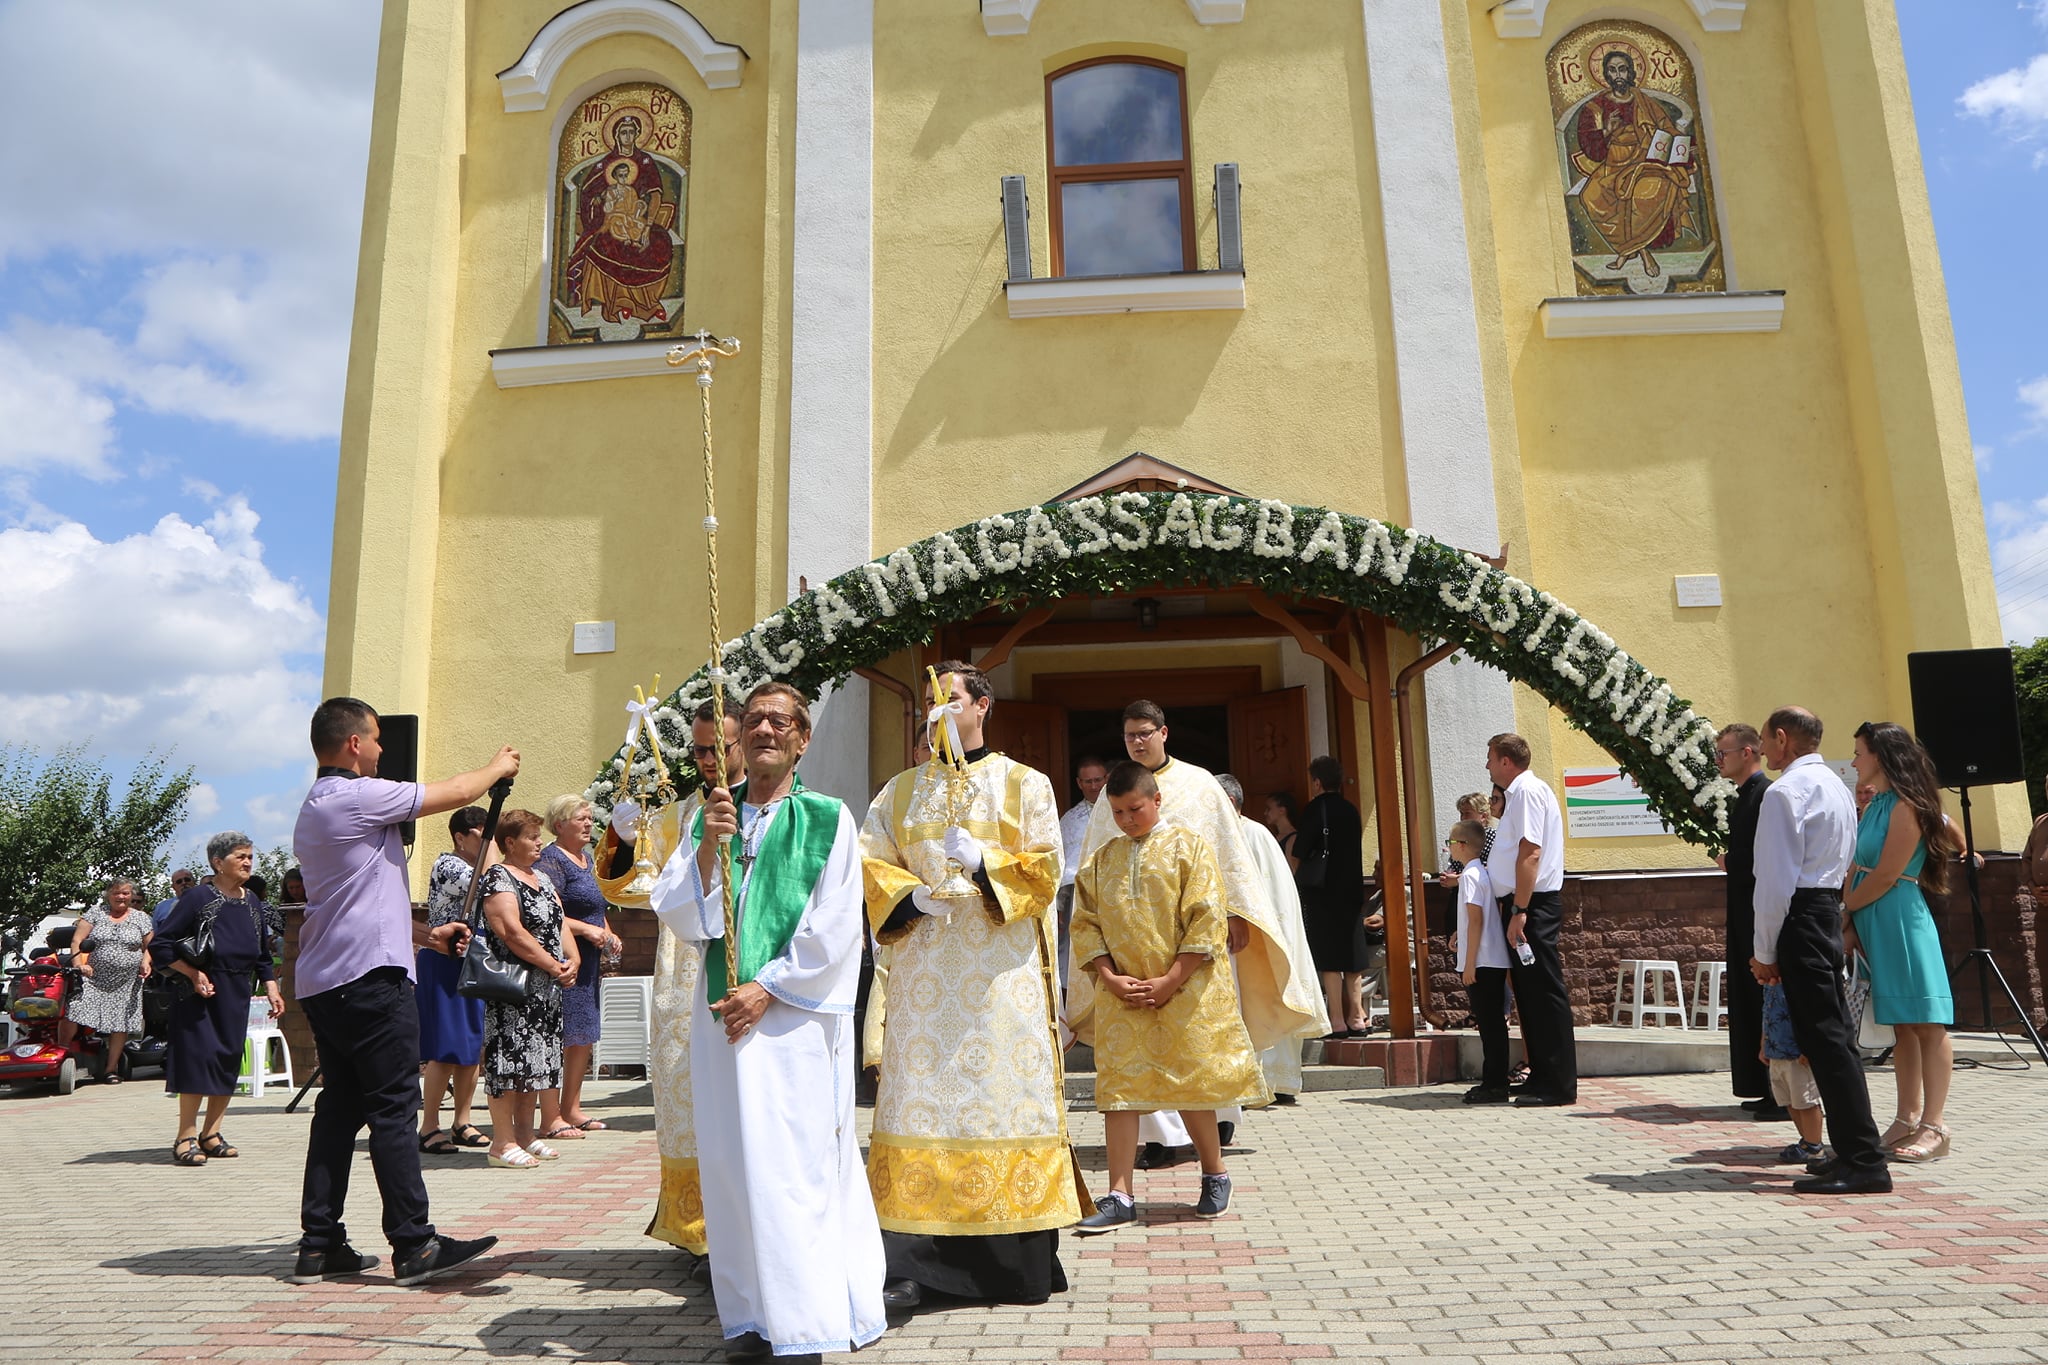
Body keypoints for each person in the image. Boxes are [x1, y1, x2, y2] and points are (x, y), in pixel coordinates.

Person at [649, 682, 886, 1361]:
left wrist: (767, 987)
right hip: (721, 1019)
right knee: (730, 1167)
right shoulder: (712, 815)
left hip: (791, 1025)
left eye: (780, 721)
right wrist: (706, 847)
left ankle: (803, 1323)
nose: (765, 731)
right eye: (753, 720)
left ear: (803, 739)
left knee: (792, 1168)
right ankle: (751, 1317)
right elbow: (680, 913)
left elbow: (836, 926)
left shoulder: (827, 818)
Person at [858, 661, 1076, 1311]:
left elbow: (1046, 869)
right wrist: (910, 897)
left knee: (999, 1100)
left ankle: (1011, 1263)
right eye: (930, 702)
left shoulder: (1023, 784)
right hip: (926, 982)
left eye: (949, 700)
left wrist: (987, 864)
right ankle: (912, 1263)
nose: (937, 712)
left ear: (982, 706)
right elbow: (869, 862)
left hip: (998, 985)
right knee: (920, 1104)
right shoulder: (898, 792)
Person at [291, 696, 517, 1286]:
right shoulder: (358, 797)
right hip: (371, 980)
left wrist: (428, 936)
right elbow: (453, 794)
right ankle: (413, 1245)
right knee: (395, 1108)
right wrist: (496, 768)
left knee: (339, 1110)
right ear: (353, 745)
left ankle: (320, 1243)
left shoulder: (316, 806)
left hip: (328, 979)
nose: (383, 750)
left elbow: (356, 903)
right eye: (376, 739)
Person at [1075, 701, 1318, 1165]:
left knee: (1200, 1035)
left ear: (1163, 732)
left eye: (1145, 732)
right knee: (1143, 1040)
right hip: (1132, 943)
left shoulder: (1200, 783)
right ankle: (1163, 1138)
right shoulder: (1115, 792)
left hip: (1192, 937)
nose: (1137, 741)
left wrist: (1238, 913)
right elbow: (1095, 863)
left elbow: (1228, 851)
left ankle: (1218, 1119)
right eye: (1129, 735)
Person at [1072, 762, 1267, 1234]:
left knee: (1188, 1084)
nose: (1126, 820)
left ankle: (1214, 1172)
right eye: (1117, 812)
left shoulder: (1189, 848)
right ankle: (1120, 1195)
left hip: (1183, 990)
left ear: (1156, 801)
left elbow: (1206, 920)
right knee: (1119, 1092)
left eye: (1134, 809)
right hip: (1122, 993)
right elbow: (1085, 923)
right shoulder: (1102, 860)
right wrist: (1109, 977)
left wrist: (1171, 980)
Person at [597, 697, 739, 1264]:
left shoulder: (774, 806)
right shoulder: (676, 813)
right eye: (700, 750)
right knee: (684, 1088)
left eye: (718, 748)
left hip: (746, 961)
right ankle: (697, 1230)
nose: (708, 759)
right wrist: (626, 840)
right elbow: (629, 888)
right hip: (682, 971)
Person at [1749, 706, 1890, 1195]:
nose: (1764, 749)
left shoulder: (1785, 791)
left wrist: (1764, 948)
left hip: (1801, 917)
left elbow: (1774, 881)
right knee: (1828, 1042)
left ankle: (1865, 1162)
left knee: (1828, 1044)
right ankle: (1852, 1153)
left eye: (1765, 739)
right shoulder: (1834, 783)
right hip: (1826, 910)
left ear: (1783, 738)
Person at [1844, 721, 1960, 1163]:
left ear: (1882, 756)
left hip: (1900, 919)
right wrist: (1850, 918)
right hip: (1875, 918)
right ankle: (1906, 1118)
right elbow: (1857, 864)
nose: (1854, 760)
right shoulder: (1878, 804)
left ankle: (1935, 1126)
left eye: (1859, 752)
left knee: (1927, 1024)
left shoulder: (1907, 806)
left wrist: (1850, 906)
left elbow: (1889, 873)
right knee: (1902, 1027)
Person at [152, 833, 283, 1165]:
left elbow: (262, 955)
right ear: (217, 862)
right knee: (197, 1059)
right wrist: (193, 974)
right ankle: (185, 1135)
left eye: (250, 856)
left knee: (227, 1057)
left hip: (237, 990)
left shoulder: (252, 900)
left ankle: (211, 1133)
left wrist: (271, 987)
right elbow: (161, 945)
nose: (248, 862)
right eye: (240, 856)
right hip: (201, 991)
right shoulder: (198, 897)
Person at [1217, 772, 1329, 1104]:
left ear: (1232, 802)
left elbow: (1271, 895)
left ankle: (1274, 1083)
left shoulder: (1253, 835)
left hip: (1257, 938)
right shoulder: (1222, 835)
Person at [477, 809, 578, 1169]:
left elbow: (560, 922)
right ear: (509, 842)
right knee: (508, 1062)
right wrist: (552, 965)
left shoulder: (542, 879)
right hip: (513, 989)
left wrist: (573, 958)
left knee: (535, 1062)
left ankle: (525, 1134)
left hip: (545, 991)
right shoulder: (499, 878)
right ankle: (501, 1143)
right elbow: (510, 930)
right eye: (532, 836)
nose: (539, 842)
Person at [1484, 733, 1577, 1107]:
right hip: (1525, 903)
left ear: (1506, 761)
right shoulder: (1522, 791)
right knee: (1529, 994)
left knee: (1543, 992)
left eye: (1490, 758)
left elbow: (1530, 852)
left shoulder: (1524, 791)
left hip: (1532, 905)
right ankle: (1541, 1074)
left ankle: (1557, 1084)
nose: (1487, 765)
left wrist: (1520, 910)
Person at [537, 794, 621, 1137]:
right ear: (559, 824)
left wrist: (608, 932)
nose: (588, 824)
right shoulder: (552, 860)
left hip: (589, 964)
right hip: (562, 962)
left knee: (582, 1036)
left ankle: (572, 1107)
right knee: (558, 1037)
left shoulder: (586, 858)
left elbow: (595, 906)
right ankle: (550, 1115)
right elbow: (548, 912)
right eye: (580, 819)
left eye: (589, 818)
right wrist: (587, 929)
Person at [1569, 49, 1693, 278]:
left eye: (1622, 69)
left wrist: (1681, 140)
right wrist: (1607, 130)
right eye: (1612, 70)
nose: (1618, 75)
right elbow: (1591, 148)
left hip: (1647, 160)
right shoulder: (1595, 107)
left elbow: (1665, 127)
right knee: (1590, 196)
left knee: (1644, 193)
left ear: (1631, 72)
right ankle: (1634, 250)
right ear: (1605, 75)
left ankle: (1636, 254)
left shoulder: (1645, 101)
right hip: (1614, 163)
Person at [1713, 723, 1778, 1119]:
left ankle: (1778, 1091)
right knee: (1747, 995)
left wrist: (1729, 861)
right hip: (1742, 907)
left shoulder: (1765, 795)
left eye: (1725, 753)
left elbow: (1762, 857)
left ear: (1749, 752)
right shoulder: (1744, 797)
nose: (1719, 760)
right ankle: (1759, 1083)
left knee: (1763, 997)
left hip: (1758, 909)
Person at [416, 807, 491, 1156]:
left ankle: (462, 1121)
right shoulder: (448, 865)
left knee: (471, 1048)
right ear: (460, 837)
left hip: (472, 961)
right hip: (444, 961)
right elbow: (487, 882)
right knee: (444, 1049)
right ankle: (429, 1124)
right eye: (480, 833)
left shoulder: (479, 864)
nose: (486, 840)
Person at [1295, 756, 1371, 1039]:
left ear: (1317, 781)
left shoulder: (1316, 809)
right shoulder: (1351, 810)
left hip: (1322, 891)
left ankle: (1336, 1021)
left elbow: (1301, 850)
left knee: (1329, 958)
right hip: (1351, 890)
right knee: (1352, 957)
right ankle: (1358, 1018)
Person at [1449, 823, 1509, 1103]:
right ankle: (1493, 1081)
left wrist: (1470, 962)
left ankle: (1495, 1084)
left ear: (1461, 844)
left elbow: (1476, 920)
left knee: (1490, 1025)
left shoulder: (1471, 875)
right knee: (1491, 1023)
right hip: (1487, 958)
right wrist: (1459, 938)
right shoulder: (1476, 873)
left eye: (1450, 841)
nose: (1448, 847)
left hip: (1483, 961)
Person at [69, 879, 151, 1082]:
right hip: (94, 978)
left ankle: (110, 1069)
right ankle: (65, 1056)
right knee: (74, 1011)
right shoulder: (96, 912)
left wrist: (146, 962)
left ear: (131, 896)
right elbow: (76, 941)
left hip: (127, 981)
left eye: (125, 893)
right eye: (116, 893)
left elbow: (152, 945)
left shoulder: (141, 918)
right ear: (108, 895)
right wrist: (80, 964)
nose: (121, 897)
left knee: (120, 1023)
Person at [1056, 755, 1109, 992]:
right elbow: (1059, 866)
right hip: (1078, 901)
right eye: (1088, 782)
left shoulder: (1122, 808)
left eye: (1098, 780)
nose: (1094, 786)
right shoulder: (1070, 820)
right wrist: (1058, 906)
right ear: (1079, 783)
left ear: (1107, 779)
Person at [1760, 983, 1827, 1165]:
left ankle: (1814, 1145)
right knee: (1788, 1100)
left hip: (1797, 1054)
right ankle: (1806, 1140)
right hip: (1776, 1050)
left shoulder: (1799, 983)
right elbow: (1766, 1013)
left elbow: (1811, 1015)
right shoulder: (1771, 984)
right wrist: (1763, 1045)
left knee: (1805, 1101)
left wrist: (1809, 1047)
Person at [1262, 791, 1300, 869]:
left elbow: (1292, 870)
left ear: (1282, 810)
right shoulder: (1275, 836)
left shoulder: (1293, 838)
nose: (1265, 813)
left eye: (1269, 809)